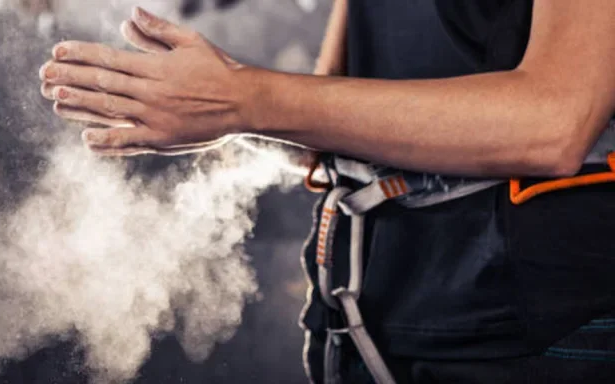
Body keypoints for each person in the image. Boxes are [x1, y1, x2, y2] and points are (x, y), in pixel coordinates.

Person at [38, 1, 615, 383]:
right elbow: (325, 123)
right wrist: (204, 105)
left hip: (525, 326)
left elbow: (555, 120)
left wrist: (244, 99)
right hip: (367, 315)